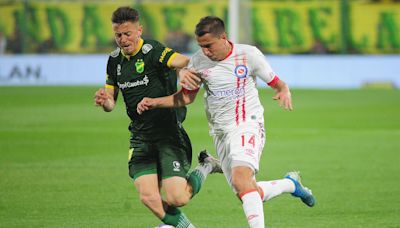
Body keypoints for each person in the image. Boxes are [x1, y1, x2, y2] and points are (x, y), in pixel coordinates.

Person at [137, 16, 316, 228]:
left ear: (223, 37)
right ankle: (290, 184)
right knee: (247, 192)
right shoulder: (197, 62)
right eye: (201, 46)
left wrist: (284, 91)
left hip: (248, 123)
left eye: (209, 45)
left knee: (242, 180)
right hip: (220, 131)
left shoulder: (248, 54)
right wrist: (154, 102)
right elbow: (186, 97)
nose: (205, 51)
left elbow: (278, 83)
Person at [94, 8, 221, 228]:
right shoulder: (113, 61)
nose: (123, 40)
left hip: (168, 135)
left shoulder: (153, 50)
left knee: (177, 198)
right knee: (148, 197)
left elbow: (182, 60)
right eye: (118, 35)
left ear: (139, 30)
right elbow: (111, 103)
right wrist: (104, 100)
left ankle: (207, 165)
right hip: (140, 137)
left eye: (128, 34)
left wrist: (183, 70)